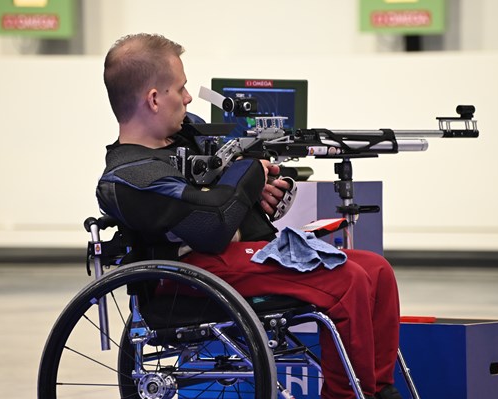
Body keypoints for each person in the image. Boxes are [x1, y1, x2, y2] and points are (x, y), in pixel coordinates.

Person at [97, 33, 402, 399]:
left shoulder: (187, 136)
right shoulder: (131, 175)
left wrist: (263, 187)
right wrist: (247, 178)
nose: (189, 97)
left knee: (376, 270)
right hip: (188, 275)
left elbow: (221, 194)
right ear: (153, 99)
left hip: (227, 259)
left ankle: (379, 390)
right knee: (347, 278)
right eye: (180, 88)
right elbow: (211, 226)